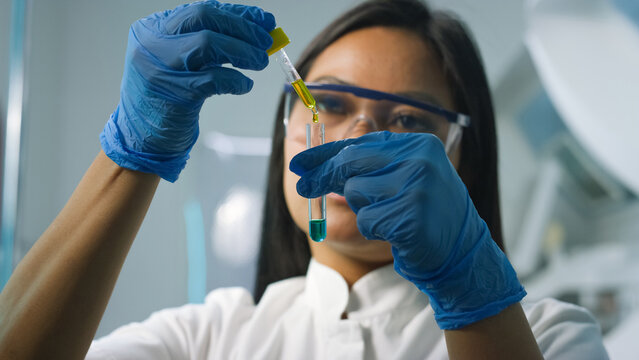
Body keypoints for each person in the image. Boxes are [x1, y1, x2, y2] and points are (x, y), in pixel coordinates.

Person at [0, 0, 609, 359]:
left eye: (408, 120)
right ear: (284, 132)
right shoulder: (205, 338)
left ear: (461, 161)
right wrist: (131, 152)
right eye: (332, 104)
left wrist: (471, 290)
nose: (358, 133)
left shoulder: (544, 337)